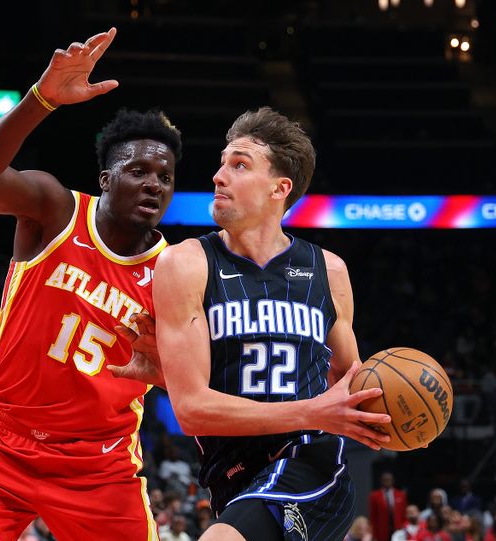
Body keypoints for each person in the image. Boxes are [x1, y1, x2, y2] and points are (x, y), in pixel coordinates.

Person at [0, 27, 182, 541]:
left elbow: (188, 375)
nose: (153, 183)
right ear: (106, 180)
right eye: (138, 169)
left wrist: (171, 376)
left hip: (100, 466)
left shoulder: (176, 271)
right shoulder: (57, 210)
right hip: (4, 442)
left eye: (164, 176)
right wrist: (41, 99)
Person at [150, 107, 391, 540]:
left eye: (239, 165)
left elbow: (353, 386)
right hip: (233, 477)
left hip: (311, 468)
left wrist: (405, 421)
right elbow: (191, 410)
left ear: (280, 188)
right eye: (222, 163)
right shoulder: (184, 264)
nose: (218, 176)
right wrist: (163, 373)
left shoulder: (328, 271)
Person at [370, 472, 408, 541]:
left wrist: (403, 528)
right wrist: (374, 534)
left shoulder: (401, 494)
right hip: (382, 531)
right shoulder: (375, 495)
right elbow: (373, 516)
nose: (387, 481)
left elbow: (404, 514)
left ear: (393, 480)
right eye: (385, 479)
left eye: (389, 479)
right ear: (381, 481)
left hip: (398, 530)